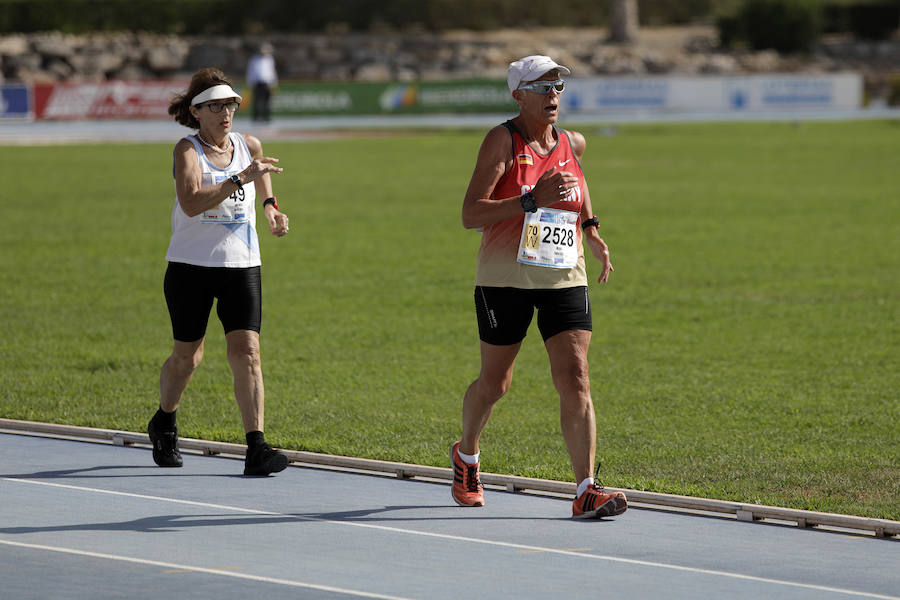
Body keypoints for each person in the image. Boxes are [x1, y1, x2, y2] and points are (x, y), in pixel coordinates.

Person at [451, 55, 627, 519]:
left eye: (558, 86)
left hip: (564, 276)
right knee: (496, 383)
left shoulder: (573, 141)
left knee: (576, 376)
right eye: (542, 86)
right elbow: (471, 214)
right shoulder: (502, 141)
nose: (554, 94)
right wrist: (530, 200)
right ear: (518, 95)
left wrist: (590, 227)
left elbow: (576, 179)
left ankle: (586, 488)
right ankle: (466, 455)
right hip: (504, 278)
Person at [149, 67, 290, 476]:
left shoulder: (249, 145)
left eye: (230, 105)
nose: (226, 113)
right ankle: (164, 420)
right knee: (187, 358)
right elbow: (192, 202)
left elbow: (261, 178)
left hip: (241, 265)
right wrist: (238, 178)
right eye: (216, 106)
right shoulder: (186, 150)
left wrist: (271, 209)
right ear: (197, 112)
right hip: (191, 268)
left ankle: (256, 448)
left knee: (247, 351)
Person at [246, 42, 278, 122]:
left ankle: (266, 117)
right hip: (257, 83)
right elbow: (250, 72)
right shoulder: (254, 59)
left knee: (267, 101)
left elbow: (272, 71)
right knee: (257, 101)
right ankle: (256, 117)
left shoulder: (270, 59)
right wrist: (250, 82)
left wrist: (274, 82)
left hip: (267, 83)